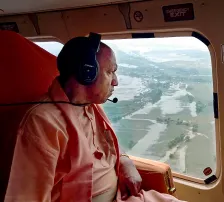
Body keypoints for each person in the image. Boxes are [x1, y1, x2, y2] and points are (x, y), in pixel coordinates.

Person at [4, 33, 185, 202]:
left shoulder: (90, 107)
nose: (116, 81)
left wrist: (125, 163)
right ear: (87, 73)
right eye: (110, 72)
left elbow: (108, 146)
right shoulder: (41, 123)